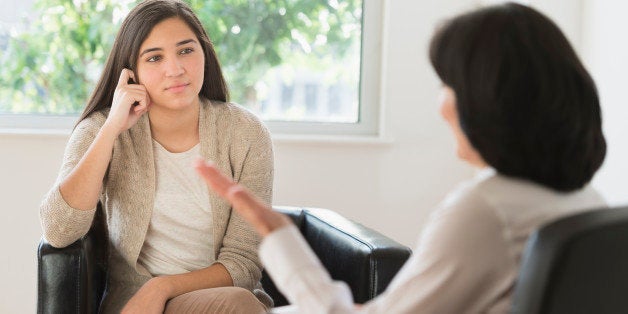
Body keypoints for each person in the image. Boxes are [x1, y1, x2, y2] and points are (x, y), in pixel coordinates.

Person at [194, 2, 607, 313]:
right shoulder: (587, 202)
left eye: (449, 85)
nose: (442, 106)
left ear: (488, 102)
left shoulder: (486, 211)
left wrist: (277, 233)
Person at [39, 0, 273, 313]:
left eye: (186, 50)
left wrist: (162, 287)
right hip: (135, 306)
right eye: (155, 57)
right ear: (130, 73)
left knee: (238, 304)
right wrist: (110, 132)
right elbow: (58, 230)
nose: (175, 69)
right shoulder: (101, 130)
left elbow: (244, 263)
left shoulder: (245, 132)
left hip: (220, 300)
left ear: (205, 54)